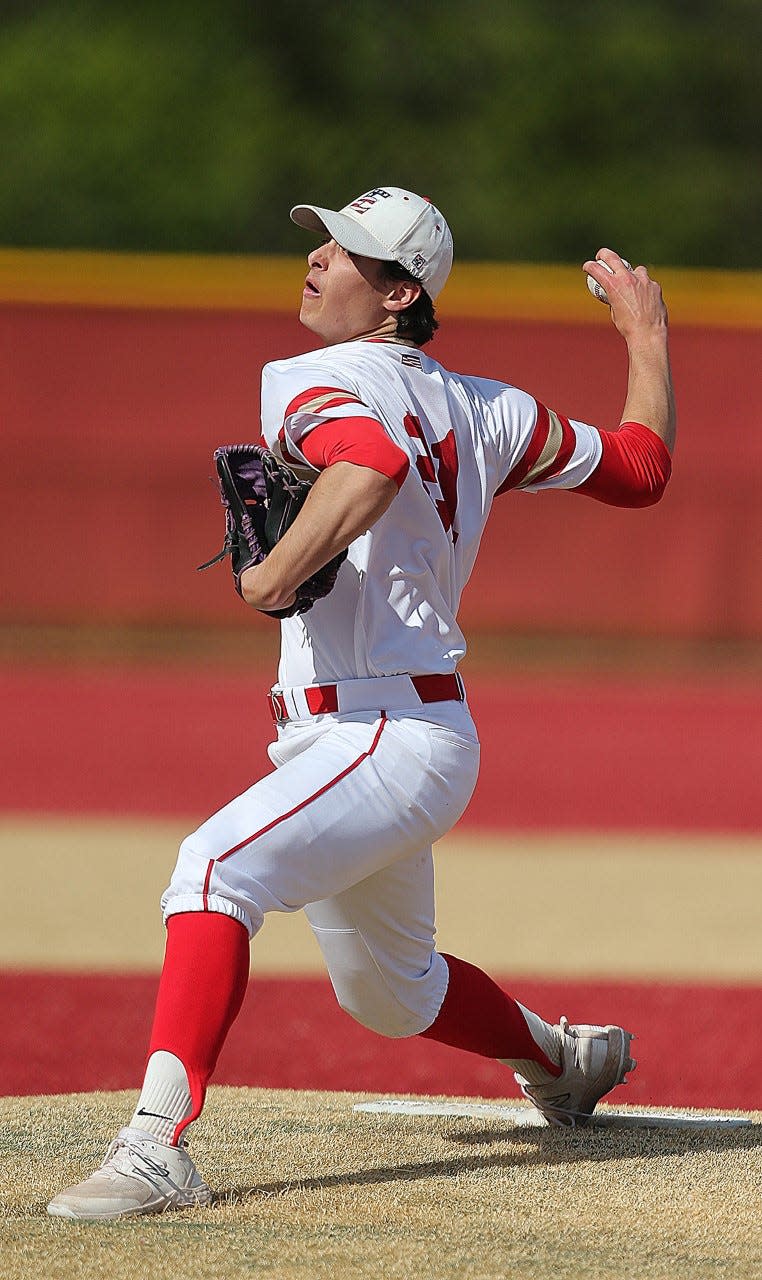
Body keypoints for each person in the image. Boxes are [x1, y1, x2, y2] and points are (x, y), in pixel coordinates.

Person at [48, 186, 675, 1219]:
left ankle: (158, 1144)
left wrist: (270, 577)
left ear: (397, 294)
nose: (318, 259)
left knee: (211, 865)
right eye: (323, 243)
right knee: (392, 991)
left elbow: (374, 462)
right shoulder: (491, 408)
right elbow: (642, 467)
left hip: (380, 728)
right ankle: (562, 1059)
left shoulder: (309, 376)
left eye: (348, 252)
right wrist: (646, 336)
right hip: (402, 731)